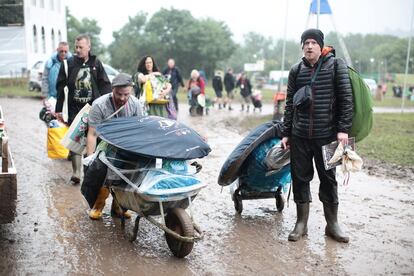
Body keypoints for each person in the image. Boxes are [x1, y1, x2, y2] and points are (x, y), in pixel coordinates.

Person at [281, 29, 353, 243]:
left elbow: (346, 100)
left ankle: (332, 225)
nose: (309, 46)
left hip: (329, 135)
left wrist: (343, 129)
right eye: (306, 43)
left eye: (313, 42)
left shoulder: (336, 65)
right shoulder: (296, 70)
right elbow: (289, 105)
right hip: (300, 135)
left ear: (321, 46)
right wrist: (286, 132)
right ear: (302, 46)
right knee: (300, 178)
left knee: (328, 179)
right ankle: (301, 224)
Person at [85, 73, 143, 220]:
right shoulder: (99, 105)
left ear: (131, 91)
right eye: (119, 94)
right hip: (106, 144)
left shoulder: (136, 105)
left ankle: (119, 207)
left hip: (128, 144)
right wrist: (90, 158)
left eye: (126, 94)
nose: (123, 98)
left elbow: (140, 131)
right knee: (106, 171)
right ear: (112, 90)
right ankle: (98, 204)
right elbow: (92, 134)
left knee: (130, 173)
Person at [56, 34, 111, 185]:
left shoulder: (96, 63)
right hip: (75, 108)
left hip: (93, 108)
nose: (78, 50)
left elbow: (105, 84)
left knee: (93, 138)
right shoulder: (68, 64)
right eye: (76, 47)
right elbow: (60, 87)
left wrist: (107, 105)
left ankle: (90, 170)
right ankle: (76, 173)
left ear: (88, 47)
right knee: (76, 137)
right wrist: (59, 109)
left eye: (81, 47)